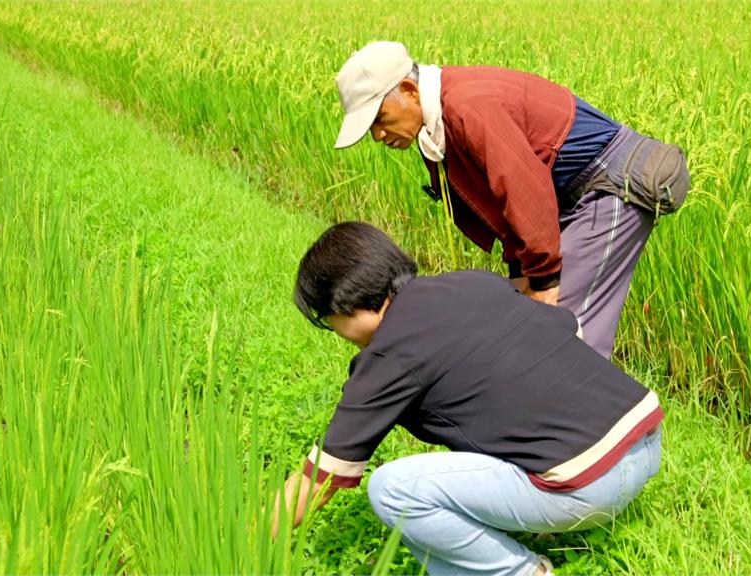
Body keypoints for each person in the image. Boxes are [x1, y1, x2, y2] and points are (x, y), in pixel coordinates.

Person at [274, 221, 663, 576]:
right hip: (646, 442)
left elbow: (320, 478)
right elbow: (568, 328)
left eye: (328, 321)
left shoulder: (389, 354)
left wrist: (250, 538)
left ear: (344, 303)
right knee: (419, 530)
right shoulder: (471, 282)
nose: (336, 332)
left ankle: (522, 572)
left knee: (394, 491)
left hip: (588, 486)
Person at [333, 42, 691, 359]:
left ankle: (612, 427)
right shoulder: (436, 125)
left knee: (566, 333)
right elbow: (502, 208)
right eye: (370, 130)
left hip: (610, 185)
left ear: (409, 90)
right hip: (568, 199)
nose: (378, 135)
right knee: (529, 325)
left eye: (380, 119)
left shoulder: (467, 106)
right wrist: (522, 275)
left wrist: (545, 281)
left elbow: (524, 188)